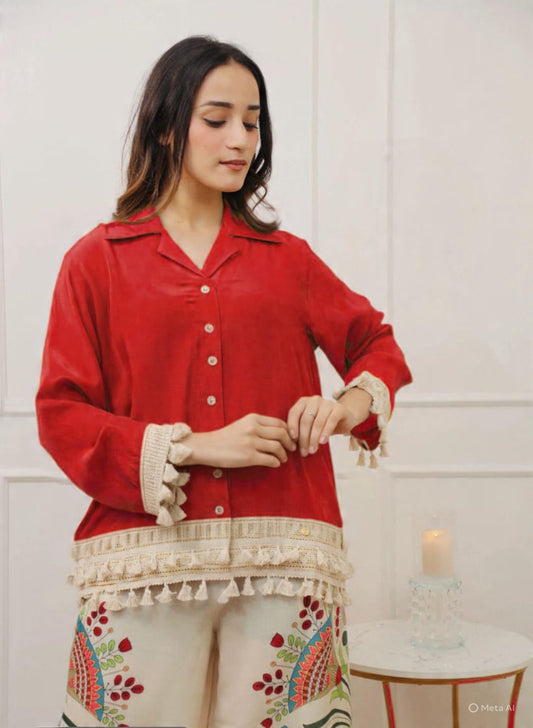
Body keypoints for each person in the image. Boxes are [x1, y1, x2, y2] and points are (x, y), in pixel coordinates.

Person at [36, 35, 412, 728]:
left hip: (285, 557)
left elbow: (376, 347)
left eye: (252, 120)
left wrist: (342, 407)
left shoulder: (288, 260)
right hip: (144, 564)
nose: (240, 138)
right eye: (217, 119)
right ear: (166, 125)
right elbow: (62, 413)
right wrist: (197, 446)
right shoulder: (97, 261)